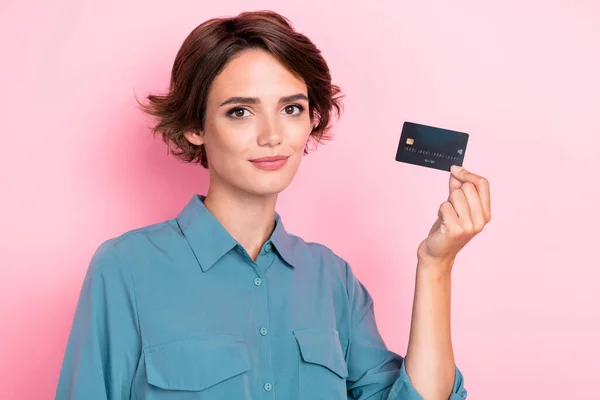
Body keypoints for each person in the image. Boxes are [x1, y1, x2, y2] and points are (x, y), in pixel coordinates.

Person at [55, 10, 491, 400]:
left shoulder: (331, 278)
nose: (272, 135)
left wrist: (436, 264)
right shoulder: (127, 269)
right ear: (194, 127)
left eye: (291, 108)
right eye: (240, 112)